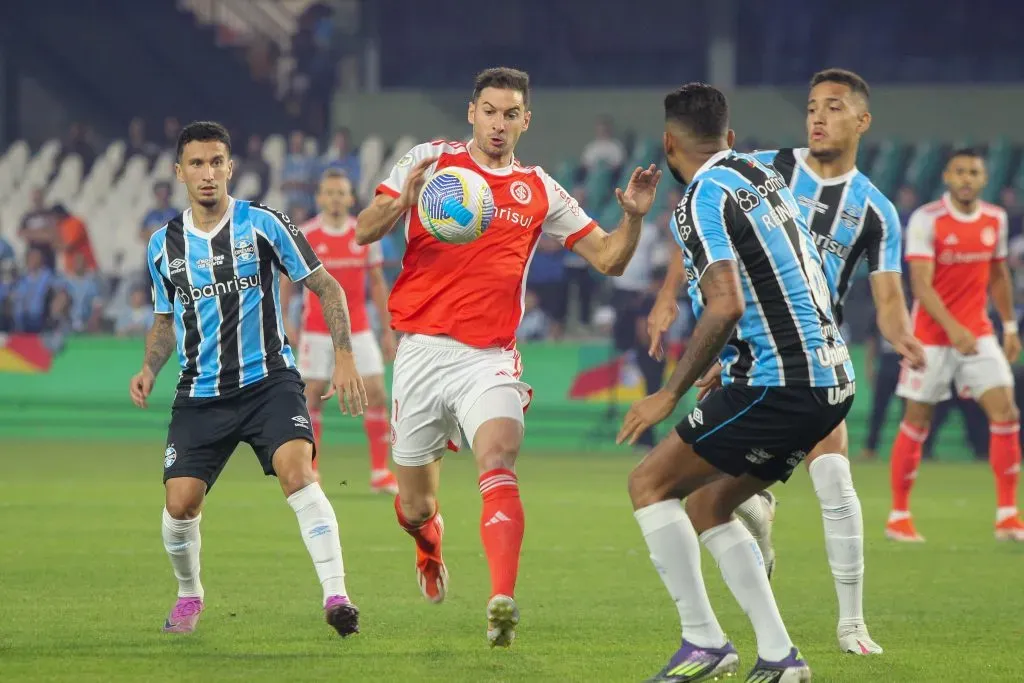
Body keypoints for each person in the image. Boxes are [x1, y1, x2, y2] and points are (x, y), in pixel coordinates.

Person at [354, 66, 661, 647]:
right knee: (416, 505)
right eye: (489, 111)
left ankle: (501, 601)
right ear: (472, 112)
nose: (499, 123)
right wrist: (405, 202)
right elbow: (365, 230)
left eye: (510, 113)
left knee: (498, 459)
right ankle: (429, 545)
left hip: (489, 359)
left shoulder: (539, 188)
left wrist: (635, 217)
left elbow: (609, 259)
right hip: (420, 351)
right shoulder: (431, 161)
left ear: (526, 120)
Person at [648, 68, 924, 655]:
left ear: (861, 121)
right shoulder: (762, 168)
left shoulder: (874, 210)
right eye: (811, 107)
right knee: (713, 492)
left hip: (804, 354)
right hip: (757, 352)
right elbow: (701, 238)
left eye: (832, 107)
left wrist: (906, 338)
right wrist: (670, 295)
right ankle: (764, 589)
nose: (818, 117)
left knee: (828, 477)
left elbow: (889, 296)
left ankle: (848, 623)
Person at [619, 82, 854, 683]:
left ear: (668, 144)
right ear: (728, 137)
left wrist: (668, 392)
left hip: (782, 383)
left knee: (649, 483)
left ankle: (704, 642)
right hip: (832, 378)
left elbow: (723, 305)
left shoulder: (699, 199)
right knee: (709, 502)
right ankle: (780, 658)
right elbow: (802, 270)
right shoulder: (761, 175)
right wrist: (746, 350)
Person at [129, 121, 367, 638]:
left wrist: (344, 355)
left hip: (268, 382)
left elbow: (327, 288)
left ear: (231, 168)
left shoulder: (264, 224)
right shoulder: (161, 246)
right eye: (197, 163)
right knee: (179, 504)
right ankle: (189, 595)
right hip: (200, 393)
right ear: (179, 172)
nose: (208, 173)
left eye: (217, 162)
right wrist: (150, 367)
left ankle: (337, 596)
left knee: (298, 473)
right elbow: (165, 323)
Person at [888, 148, 1023, 542]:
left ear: (984, 179)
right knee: (917, 421)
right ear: (947, 176)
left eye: (974, 172)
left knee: (1007, 413)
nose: (967, 178)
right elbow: (921, 286)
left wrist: (1010, 327)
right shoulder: (927, 219)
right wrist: (953, 328)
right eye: (960, 171)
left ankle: (1008, 515)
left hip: (978, 334)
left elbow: (998, 276)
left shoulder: (994, 219)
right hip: (929, 338)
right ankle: (898, 515)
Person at [282, 168, 400, 494]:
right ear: (320, 197)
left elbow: (376, 282)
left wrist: (388, 328)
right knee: (313, 395)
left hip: (359, 328)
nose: (335, 199)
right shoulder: (305, 235)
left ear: (350, 198)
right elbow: (286, 281)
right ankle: (312, 469)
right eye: (329, 193)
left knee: (376, 392)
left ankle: (379, 472)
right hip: (317, 330)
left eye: (341, 193)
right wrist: (285, 320)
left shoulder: (364, 234)